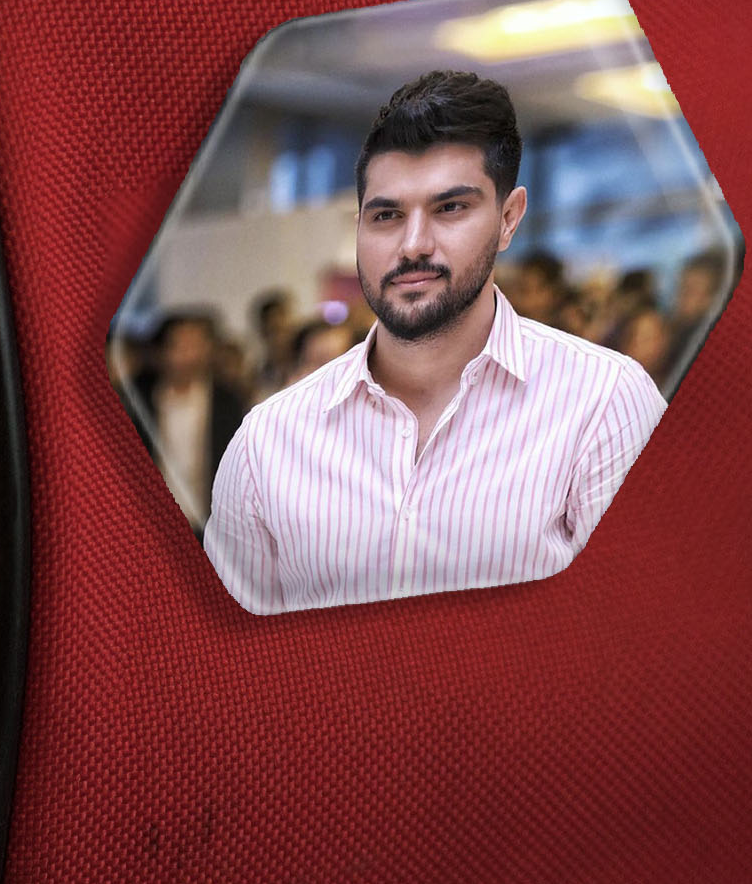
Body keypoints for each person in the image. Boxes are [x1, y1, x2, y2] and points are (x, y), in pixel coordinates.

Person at [204, 71, 667, 613]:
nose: (413, 245)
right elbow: (219, 647)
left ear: (508, 219)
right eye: (386, 215)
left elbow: (649, 625)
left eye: (450, 208)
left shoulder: (604, 401)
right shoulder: (267, 441)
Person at [127, 311, 245, 536]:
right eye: (180, 346)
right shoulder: (138, 402)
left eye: (197, 345)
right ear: (161, 352)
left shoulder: (226, 401)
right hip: (152, 522)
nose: (190, 355)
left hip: (210, 522)